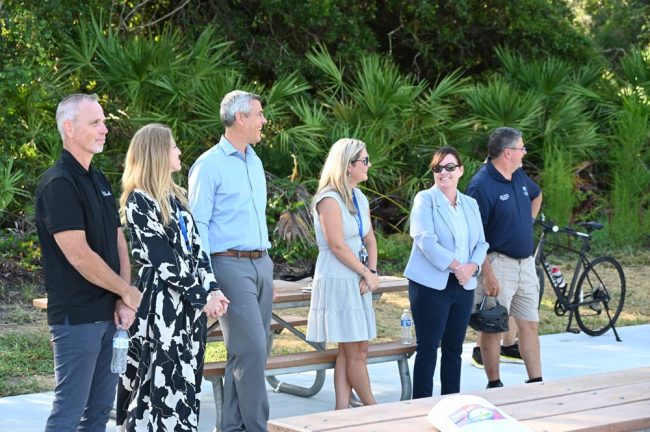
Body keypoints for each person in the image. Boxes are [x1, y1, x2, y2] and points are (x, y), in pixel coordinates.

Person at [35, 93, 142, 432]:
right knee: (69, 411)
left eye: (103, 122)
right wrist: (126, 290)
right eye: (95, 122)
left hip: (111, 316)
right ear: (69, 128)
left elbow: (117, 238)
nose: (104, 129)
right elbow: (80, 256)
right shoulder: (58, 184)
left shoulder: (97, 178)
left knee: (97, 414)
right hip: (77, 318)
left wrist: (124, 297)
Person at [116, 123, 230, 431]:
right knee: (159, 386)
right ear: (158, 154)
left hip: (189, 310)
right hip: (161, 307)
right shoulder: (139, 201)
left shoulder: (177, 199)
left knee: (187, 383)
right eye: (174, 147)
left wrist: (213, 289)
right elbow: (163, 260)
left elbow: (197, 252)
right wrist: (201, 295)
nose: (179, 152)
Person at [188, 90, 274, 432]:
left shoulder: (255, 160)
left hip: (262, 263)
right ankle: (258, 427)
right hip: (228, 265)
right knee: (252, 350)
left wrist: (266, 265)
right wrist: (207, 280)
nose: (263, 121)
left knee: (250, 352)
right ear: (240, 118)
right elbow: (198, 226)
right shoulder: (208, 165)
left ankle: (231, 427)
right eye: (259, 114)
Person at [404, 147, 489, 397]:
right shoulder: (425, 200)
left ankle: (452, 405)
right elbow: (425, 239)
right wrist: (457, 266)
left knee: (454, 349)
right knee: (428, 348)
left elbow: (482, 243)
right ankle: (420, 406)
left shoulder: (471, 204)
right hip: (431, 286)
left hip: (463, 285)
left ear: (460, 171)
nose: (444, 173)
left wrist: (471, 268)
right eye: (438, 168)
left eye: (450, 167)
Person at [466, 126, 543, 388]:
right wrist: (488, 273)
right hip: (498, 264)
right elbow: (474, 236)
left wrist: (526, 222)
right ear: (508, 152)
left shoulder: (518, 175)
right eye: (522, 148)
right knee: (493, 326)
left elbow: (537, 194)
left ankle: (536, 382)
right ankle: (495, 384)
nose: (525, 152)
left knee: (530, 325)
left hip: (526, 265)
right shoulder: (481, 186)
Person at [306, 138, 380, 409]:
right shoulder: (329, 198)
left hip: (358, 276)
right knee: (356, 349)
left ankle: (342, 410)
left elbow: (369, 239)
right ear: (348, 165)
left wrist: (370, 271)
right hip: (338, 277)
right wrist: (365, 272)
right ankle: (373, 409)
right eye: (364, 160)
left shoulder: (359, 197)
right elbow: (336, 244)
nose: (369, 165)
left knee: (350, 350)